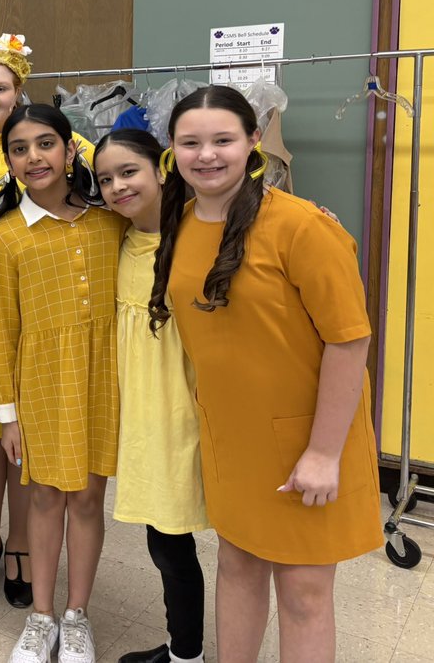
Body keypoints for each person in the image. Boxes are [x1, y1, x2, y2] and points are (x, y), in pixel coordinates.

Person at [148, 86, 381, 663]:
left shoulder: (302, 227)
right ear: (172, 149)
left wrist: (324, 452)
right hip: (233, 439)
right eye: (190, 142)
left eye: (223, 140)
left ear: (253, 141)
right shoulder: (177, 224)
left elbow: (349, 341)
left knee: (303, 592)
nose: (207, 155)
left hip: (311, 438)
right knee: (239, 567)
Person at [0, 34, 96, 608]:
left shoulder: (58, 143)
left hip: (34, 321)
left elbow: (116, 192)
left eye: (0, 87)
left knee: (21, 437)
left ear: (18, 92)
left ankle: (21, 544)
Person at [0, 104, 125, 663]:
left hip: (102, 378)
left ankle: (76, 614)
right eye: (19, 148)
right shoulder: (6, 238)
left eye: (46, 144)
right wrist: (7, 415)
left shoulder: (111, 223)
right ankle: (40, 617)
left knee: (88, 497)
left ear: (71, 150)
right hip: (39, 380)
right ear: (10, 161)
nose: (34, 156)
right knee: (42, 495)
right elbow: (0, 329)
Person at [93, 130, 208, 663]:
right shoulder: (113, 240)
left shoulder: (200, 239)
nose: (117, 186)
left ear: (162, 169)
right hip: (143, 416)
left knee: (177, 543)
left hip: (188, 417)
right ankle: (185, 651)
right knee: (166, 542)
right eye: (105, 179)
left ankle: (188, 654)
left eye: (128, 172)